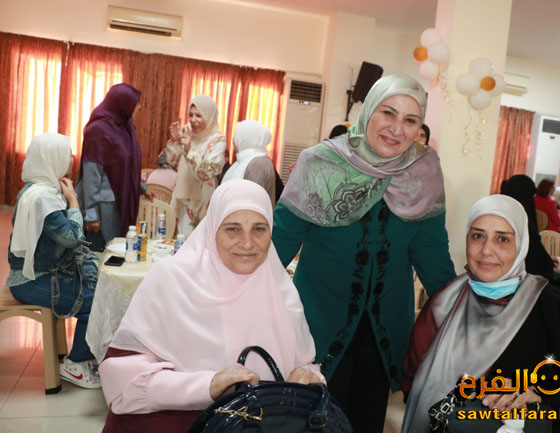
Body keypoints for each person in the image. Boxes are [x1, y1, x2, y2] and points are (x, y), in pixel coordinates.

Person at [272, 74, 456, 433]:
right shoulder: (319, 163)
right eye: (388, 113)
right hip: (315, 330)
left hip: (383, 339)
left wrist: (469, 315)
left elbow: (433, 258)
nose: (396, 129)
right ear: (369, 110)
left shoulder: (424, 171)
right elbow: (278, 246)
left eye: (410, 120)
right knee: (313, 424)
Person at [99, 179, 323, 433]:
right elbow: (122, 386)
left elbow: (304, 364)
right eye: (233, 229)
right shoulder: (172, 281)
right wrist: (208, 386)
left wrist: (307, 378)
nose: (247, 243)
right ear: (212, 228)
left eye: (259, 229)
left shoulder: (280, 289)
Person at [401, 194, 560, 433]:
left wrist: (538, 394)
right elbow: (412, 384)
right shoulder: (443, 304)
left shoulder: (555, 307)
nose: (486, 250)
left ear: (521, 245)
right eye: (478, 236)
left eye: (502, 239)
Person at [7, 133, 100, 389]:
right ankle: (75, 364)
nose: (70, 159)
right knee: (96, 302)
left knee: (99, 288)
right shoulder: (42, 199)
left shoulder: (38, 189)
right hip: (32, 281)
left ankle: (86, 355)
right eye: (65, 154)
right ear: (51, 158)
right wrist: (74, 201)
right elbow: (72, 237)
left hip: (37, 274)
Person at [76, 83, 149, 251]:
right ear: (122, 103)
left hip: (120, 200)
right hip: (103, 208)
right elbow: (91, 175)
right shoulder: (98, 130)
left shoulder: (124, 127)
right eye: (135, 103)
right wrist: (92, 215)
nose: (139, 107)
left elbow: (125, 166)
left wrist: (141, 188)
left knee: (116, 249)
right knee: (103, 252)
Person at [165, 95, 227, 236]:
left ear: (209, 116)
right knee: (178, 240)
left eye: (199, 116)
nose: (193, 120)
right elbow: (172, 161)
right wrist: (175, 142)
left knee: (197, 241)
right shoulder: (187, 132)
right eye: (191, 115)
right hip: (182, 198)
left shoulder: (217, 141)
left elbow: (207, 172)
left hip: (201, 202)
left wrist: (189, 151)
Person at [501, 175, 555, 279]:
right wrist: (549, 261)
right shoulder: (523, 217)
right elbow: (533, 244)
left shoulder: (498, 214)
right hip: (521, 277)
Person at [221, 120, 276, 205]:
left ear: (246, 139)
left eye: (237, 135)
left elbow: (252, 202)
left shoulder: (257, 164)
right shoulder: (245, 160)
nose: (233, 140)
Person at [534, 179, 560, 244]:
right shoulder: (550, 201)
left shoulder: (534, 198)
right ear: (547, 188)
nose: (554, 189)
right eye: (552, 187)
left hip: (538, 228)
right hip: (550, 229)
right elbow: (557, 222)